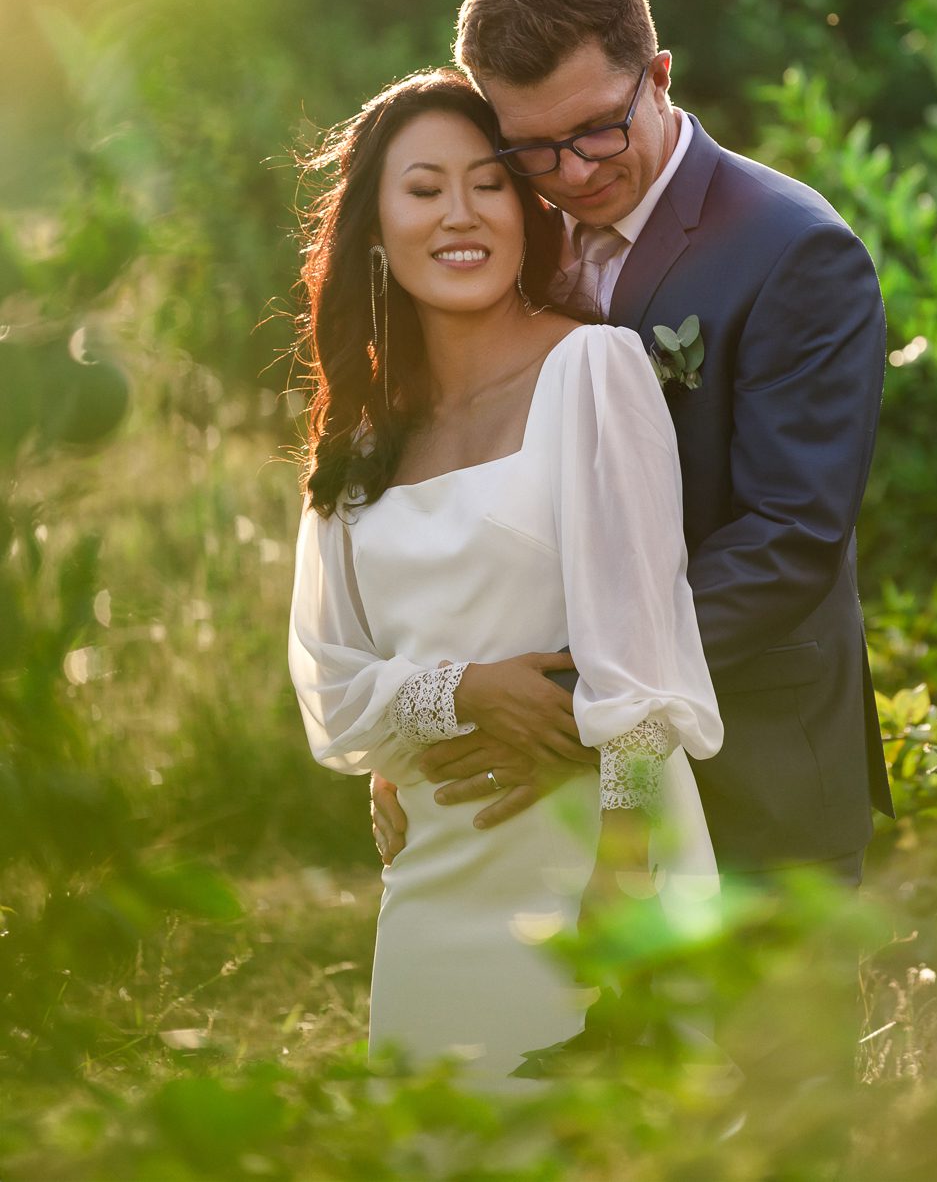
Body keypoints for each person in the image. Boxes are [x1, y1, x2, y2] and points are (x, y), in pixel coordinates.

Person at [372, 0, 893, 885]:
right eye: (530, 146)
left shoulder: (795, 252)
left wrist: (575, 702)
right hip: (548, 807)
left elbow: (789, 535)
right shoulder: (506, 232)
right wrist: (444, 707)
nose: (570, 173)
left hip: (751, 766)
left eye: (598, 131)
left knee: (765, 1038)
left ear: (657, 76)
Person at [288, 68, 724, 1082]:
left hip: (585, 865)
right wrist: (457, 692)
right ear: (374, 227)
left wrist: (618, 892)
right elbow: (332, 693)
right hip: (432, 883)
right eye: (425, 188)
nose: (460, 214)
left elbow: (647, 669)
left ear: (528, 214)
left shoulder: (596, 374)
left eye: (488, 184)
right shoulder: (359, 441)